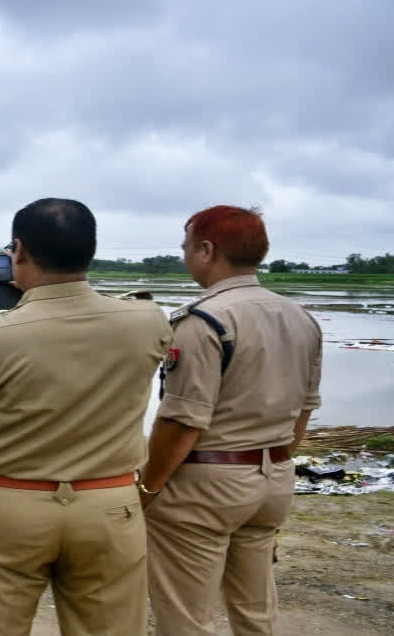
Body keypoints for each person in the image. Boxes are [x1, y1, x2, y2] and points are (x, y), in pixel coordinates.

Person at [0, 198, 173, 636]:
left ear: (19, 250)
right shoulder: (147, 319)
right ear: (90, 250)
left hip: (9, 507)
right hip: (108, 505)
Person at [140, 205, 322, 635]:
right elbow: (304, 412)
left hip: (206, 485)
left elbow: (181, 423)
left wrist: (147, 489)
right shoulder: (302, 318)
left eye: (186, 248)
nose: (184, 257)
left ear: (207, 249)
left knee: (186, 617)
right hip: (273, 477)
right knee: (255, 609)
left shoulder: (202, 319)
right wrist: (273, 461)